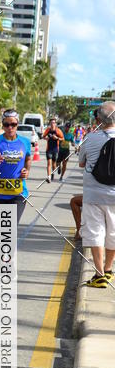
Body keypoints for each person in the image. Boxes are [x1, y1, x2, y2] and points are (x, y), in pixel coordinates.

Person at [78, 101, 115, 287]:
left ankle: (99, 274)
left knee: (96, 232)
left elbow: (82, 163)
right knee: (113, 233)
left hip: (93, 195)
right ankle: (108, 270)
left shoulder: (90, 138)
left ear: (98, 119)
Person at [0, 109, 31, 224]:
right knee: (2, 232)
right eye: (7, 124)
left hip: (18, 194)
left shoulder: (25, 142)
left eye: (13, 124)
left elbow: (28, 158)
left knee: (10, 230)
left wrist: (26, 170)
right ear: (3, 125)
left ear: (17, 125)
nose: (10, 127)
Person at [43, 118, 64, 183]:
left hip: (55, 149)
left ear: (55, 124)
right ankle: (48, 177)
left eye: (54, 123)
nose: (52, 124)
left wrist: (57, 138)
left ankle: (55, 170)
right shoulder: (48, 130)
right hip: (49, 149)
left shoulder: (58, 131)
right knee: (49, 163)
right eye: (51, 123)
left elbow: (62, 138)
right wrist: (45, 138)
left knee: (54, 164)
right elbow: (43, 136)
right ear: (50, 124)